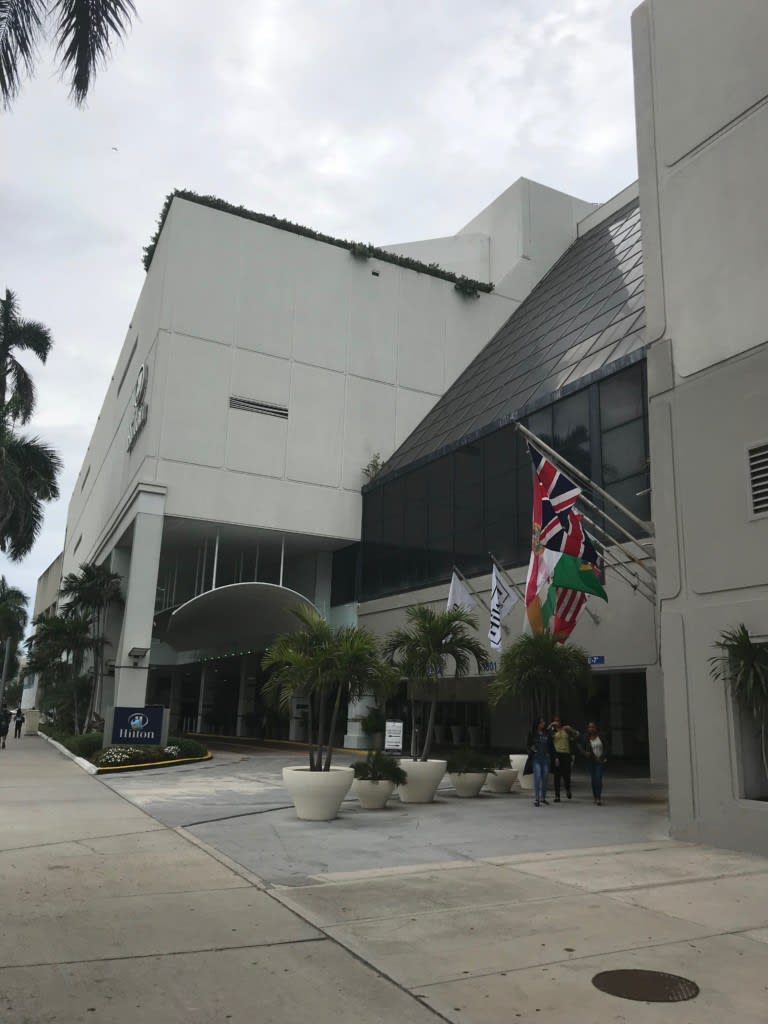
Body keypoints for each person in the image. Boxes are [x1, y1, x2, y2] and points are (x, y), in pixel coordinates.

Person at [549, 714, 579, 801]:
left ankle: (568, 789)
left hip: (566, 754)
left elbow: (577, 735)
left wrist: (571, 729)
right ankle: (557, 795)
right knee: (557, 776)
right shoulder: (552, 730)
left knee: (566, 774)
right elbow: (547, 736)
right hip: (557, 754)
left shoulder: (566, 729)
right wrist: (550, 725)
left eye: (558, 720)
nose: (557, 722)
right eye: (555, 720)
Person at [527, 717, 556, 807]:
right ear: (537, 724)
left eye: (543, 722)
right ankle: (537, 798)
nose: (543, 723)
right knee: (538, 776)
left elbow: (551, 745)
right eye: (541, 722)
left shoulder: (546, 733)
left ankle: (543, 797)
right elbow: (528, 744)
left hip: (546, 758)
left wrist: (555, 757)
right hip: (536, 758)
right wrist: (532, 749)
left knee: (545, 777)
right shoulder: (532, 733)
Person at [580, 721, 608, 805]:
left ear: (596, 728)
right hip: (591, 761)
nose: (591, 729)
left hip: (600, 761)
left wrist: (602, 757)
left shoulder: (601, 737)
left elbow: (606, 747)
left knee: (598, 778)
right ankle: (595, 797)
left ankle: (599, 797)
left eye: (593, 727)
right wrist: (585, 753)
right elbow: (581, 747)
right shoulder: (586, 737)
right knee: (594, 779)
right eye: (589, 727)